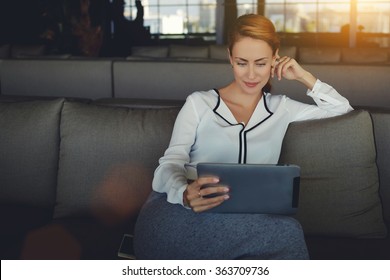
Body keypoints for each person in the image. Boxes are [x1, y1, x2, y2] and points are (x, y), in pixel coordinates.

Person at [133, 14, 353, 260]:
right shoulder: (199, 103)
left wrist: (303, 76)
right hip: (178, 212)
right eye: (241, 63)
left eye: (260, 63)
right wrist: (184, 193)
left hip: (245, 221)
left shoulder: (282, 107)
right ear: (230, 58)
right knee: (287, 234)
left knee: (280, 235)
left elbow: (343, 111)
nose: (251, 75)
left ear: (275, 59)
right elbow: (169, 164)